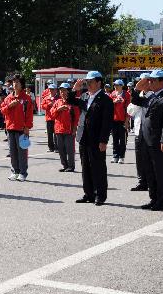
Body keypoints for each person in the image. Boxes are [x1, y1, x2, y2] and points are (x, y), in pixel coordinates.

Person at [130, 70, 163, 211]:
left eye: (153, 80)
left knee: (160, 173)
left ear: (162, 81)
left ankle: (162, 200)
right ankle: (153, 198)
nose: (150, 82)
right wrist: (137, 88)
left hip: (158, 142)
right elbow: (135, 100)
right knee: (149, 172)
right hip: (145, 140)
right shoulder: (149, 97)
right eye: (149, 80)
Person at [66, 71, 113, 205]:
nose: (88, 84)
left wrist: (104, 140)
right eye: (87, 82)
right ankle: (89, 193)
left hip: (97, 139)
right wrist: (74, 90)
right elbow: (70, 100)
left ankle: (100, 195)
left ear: (99, 83)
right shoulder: (85, 96)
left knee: (98, 167)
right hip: (84, 137)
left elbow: (106, 122)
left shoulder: (106, 99)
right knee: (85, 167)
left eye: (91, 82)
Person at [1, 74, 34, 181]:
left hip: (22, 129)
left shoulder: (26, 99)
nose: (15, 84)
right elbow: (2, 110)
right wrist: (10, 105)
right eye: (14, 82)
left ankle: (23, 173)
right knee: (13, 151)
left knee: (22, 152)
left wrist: (27, 127)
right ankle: (15, 171)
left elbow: (29, 115)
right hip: (10, 128)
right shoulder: (8, 98)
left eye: (17, 82)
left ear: (22, 84)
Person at [127, 74, 151, 192]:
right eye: (139, 82)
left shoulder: (152, 96)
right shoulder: (137, 95)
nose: (142, 84)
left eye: (144, 82)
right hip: (138, 130)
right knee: (139, 158)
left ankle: (150, 181)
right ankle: (141, 181)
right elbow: (130, 111)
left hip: (149, 132)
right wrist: (137, 102)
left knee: (149, 159)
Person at [50, 82, 80, 172]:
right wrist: (58, 109)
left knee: (70, 149)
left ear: (69, 91)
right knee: (61, 149)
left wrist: (74, 129)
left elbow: (77, 117)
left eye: (65, 91)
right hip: (58, 130)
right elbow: (52, 114)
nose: (63, 92)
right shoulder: (57, 102)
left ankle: (71, 166)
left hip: (69, 130)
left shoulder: (73, 102)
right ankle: (64, 165)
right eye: (61, 91)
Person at [109, 79, 130, 164]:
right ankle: (115, 155)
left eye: (117, 85)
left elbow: (129, 109)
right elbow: (109, 106)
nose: (115, 87)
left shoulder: (126, 94)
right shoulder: (112, 94)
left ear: (121, 86)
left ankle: (121, 156)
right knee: (115, 139)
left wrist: (127, 121)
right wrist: (114, 101)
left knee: (122, 139)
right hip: (114, 120)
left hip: (123, 120)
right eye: (115, 85)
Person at [41, 83, 59, 152]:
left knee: (56, 134)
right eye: (50, 89)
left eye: (52, 89)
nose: (51, 91)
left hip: (56, 118)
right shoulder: (46, 98)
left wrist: (54, 104)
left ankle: (57, 147)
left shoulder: (58, 98)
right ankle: (51, 147)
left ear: (55, 90)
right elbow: (42, 106)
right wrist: (48, 105)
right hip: (49, 118)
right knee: (49, 134)